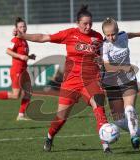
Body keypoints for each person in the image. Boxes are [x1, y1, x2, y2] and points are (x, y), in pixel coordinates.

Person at [15, 5, 111, 153]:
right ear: (78, 23)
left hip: (91, 80)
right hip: (71, 82)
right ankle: (49, 137)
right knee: (61, 118)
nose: (88, 26)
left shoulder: (97, 37)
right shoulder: (69, 34)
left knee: (100, 110)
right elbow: (43, 37)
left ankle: (106, 146)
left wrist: (101, 64)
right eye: (85, 23)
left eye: (90, 23)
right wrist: (23, 36)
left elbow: (100, 57)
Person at [101, 17, 140, 151]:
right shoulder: (105, 45)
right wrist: (124, 68)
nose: (111, 37)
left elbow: (128, 35)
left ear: (117, 31)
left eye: (113, 34)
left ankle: (133, 136)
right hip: (112, 82)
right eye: (107, 35)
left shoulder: (122, 36)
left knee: (129, 109)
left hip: (128, 79)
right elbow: (107, 67)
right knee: (119, 121)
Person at [0, 17, 36, 121]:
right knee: (16, 95)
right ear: (16, 28)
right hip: (17, 70)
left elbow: (22, 54)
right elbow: (8, 51)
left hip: (24, 70)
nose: (23, 28)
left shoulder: (24, 40)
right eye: (21, 27)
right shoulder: (15, 39)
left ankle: (21, 115)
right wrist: (21, 57)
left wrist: (29, 56)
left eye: (24, 26)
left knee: (28, 92)